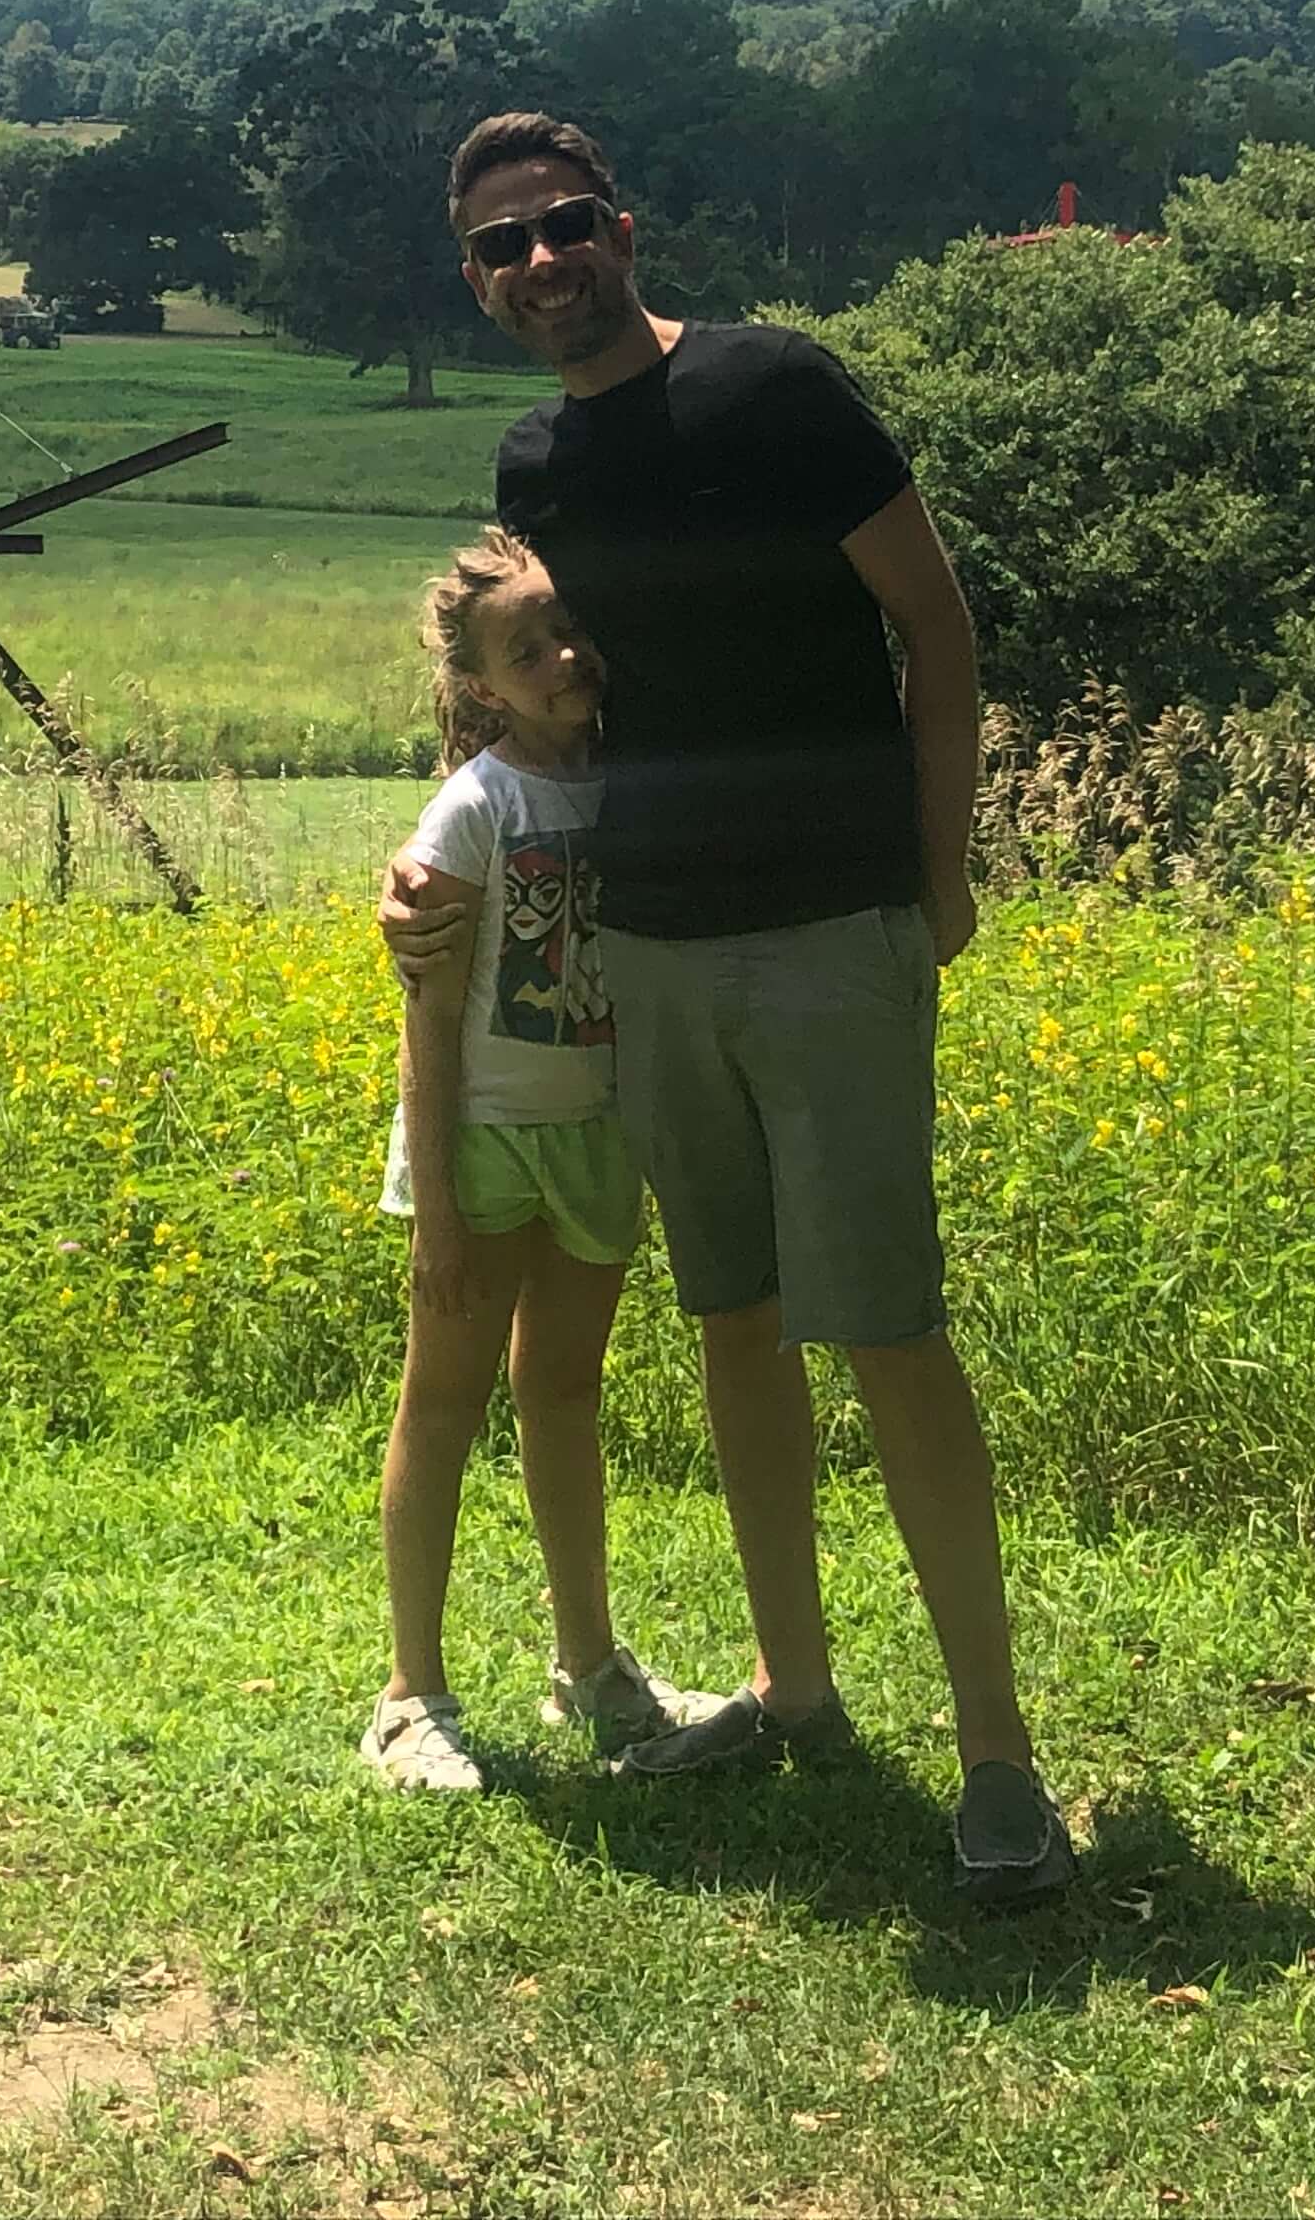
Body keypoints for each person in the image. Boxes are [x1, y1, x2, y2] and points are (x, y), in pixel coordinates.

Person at [382, 110, 1074, 1910]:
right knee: (736, 1318)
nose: (544, 262)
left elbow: (937, 625)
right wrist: (426, 857)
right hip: (656, 950)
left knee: (890, 1327)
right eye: (503, 246)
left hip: (831, 922)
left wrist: (941, 868)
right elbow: (533, 694)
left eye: (569, 224)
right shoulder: (534, 460)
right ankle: (796, 1685)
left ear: (627, 223)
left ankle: (998, 1755)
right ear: (474, 280)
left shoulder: (782, 390)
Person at [361, 526, 723, 1795]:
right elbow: (426, 1018)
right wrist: (439, 1209)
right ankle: (411, 1694)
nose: (566, 655)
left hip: (596, 1136)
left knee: (566, 1395)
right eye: (529, 648)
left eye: (570, 627)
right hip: (485, 1144)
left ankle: (591, 1667)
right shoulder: (473, 812)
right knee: (446, 1402)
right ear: (483, 688)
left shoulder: (634, 780)